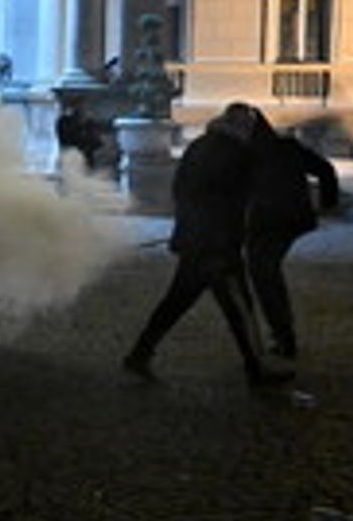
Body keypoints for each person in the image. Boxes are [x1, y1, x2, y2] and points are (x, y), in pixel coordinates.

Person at [123, 102, 292, 387]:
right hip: (218, 245)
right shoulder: (237, 153)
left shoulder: (199, 146)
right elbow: (249, 193)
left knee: (176, 303)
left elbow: (181, 189)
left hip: (195, 238)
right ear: (242, 127)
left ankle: (139, 354)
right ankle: (256, 369)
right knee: (240, 307)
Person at [245, 113, 339, 359]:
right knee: (266, 272)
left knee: (264, 274)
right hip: (292, 220)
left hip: (268, 222)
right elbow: (325, 170)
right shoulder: (287, 146)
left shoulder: (245, 154)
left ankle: (284, 335)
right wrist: (329, 203)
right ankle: (282, 334)